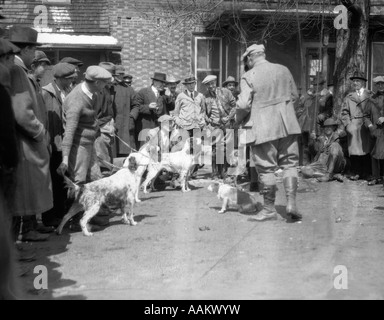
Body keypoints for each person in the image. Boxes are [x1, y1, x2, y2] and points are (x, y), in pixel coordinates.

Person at [236, 44, 302, 222]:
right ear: (263, 55)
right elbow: (295, 96)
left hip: (263, 127)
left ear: (250, 59)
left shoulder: (249, 75)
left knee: (266, 168)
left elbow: (243, 104)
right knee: (290, 164)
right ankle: (291, 204)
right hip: (287, 125)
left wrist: (237, 119)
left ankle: (269, 210)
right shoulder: (283, 69)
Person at [9, 26, 53, 241]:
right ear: (25, 50)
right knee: (23, 193)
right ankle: (22, 236)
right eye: (33, 50)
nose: (34, 55)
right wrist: (40, 132)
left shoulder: (21, 71)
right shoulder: (17, 71)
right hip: (25, 144)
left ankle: (27, 231)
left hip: (26, 143)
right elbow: (22, 112)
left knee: (26, 192)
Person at [58, 65, 113, 184]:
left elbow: (93, 118)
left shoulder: (95, 94)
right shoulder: (76, 100)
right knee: (79, 181)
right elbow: (69, 132)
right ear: (97, 82)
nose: (106, 86)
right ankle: (77, 203)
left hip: (91, 143)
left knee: (95, 179)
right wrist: (65, 159)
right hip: (78, 145)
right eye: (105, 83)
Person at [41, 62, 77, 227]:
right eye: (69, 78)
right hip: (52, 143)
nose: (71, 81)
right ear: (60, 78)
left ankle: (61, 214)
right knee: (52, 182)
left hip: (65, 143)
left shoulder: (67, 91)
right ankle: (50, 218)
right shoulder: (46, 93)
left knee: (63, 181)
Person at [339, 71, 373, 181]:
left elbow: (374, 110)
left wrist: (371, 124)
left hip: (365, 125)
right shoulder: (349, 97)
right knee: (354, 151)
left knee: (366, 149)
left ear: (363, 82)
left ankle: (367, 173)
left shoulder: (370, 95)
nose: (355, 83)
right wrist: (348, 124)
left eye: (358, 81)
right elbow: (344, 112)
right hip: (353, 125)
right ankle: (356, 172)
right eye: (354, 81)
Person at [202, 74, 236, 179]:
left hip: (226, 124)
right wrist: (209, 121)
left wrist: (229, 117)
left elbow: (235, 106)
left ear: (215, 82)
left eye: (212, 83)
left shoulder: (226, 92)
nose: (211, 86)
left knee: (226, 149)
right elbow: (203, 112)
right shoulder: (205, 96)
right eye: (208, 85)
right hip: (214, 126)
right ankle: (215, 172)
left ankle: (224, 172)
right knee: (215, 150)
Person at [131, 72, 169, 147]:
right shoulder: (143, 92)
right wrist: (148, 107)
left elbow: (171, 107)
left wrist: (169, 96)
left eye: (164, 83)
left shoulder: (164, 94)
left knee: (158, 149)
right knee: (145, 149)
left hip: (159, 127)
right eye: (161, 82)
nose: (163, 85)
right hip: (146, 126)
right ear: (154, 81)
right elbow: (136, 107)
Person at [95, 62, 117, 176]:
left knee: (107, 161)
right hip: (100, 130)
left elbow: (109, 111)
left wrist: (111, 124)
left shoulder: (106, 89)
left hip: (107, 127)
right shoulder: (97, 90)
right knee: (103, 165)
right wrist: (103, 126)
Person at [364, 76, 384, 186]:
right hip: (374, 131)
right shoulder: (371, 99)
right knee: (373, 154)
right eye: (378, 84)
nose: (380, 86)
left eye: (382, 83)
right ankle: (376, 177)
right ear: (375, 85)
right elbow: (365, 115)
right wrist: (370, 125)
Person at [114, 65, 137, 156]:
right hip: (112, 124)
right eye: (119, 74)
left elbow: (136, 105)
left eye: (122, 74)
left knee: (126, 153)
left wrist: (132, 117)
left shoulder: (128, 89)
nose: (121, 76)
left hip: (125, 125)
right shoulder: (108, 87)